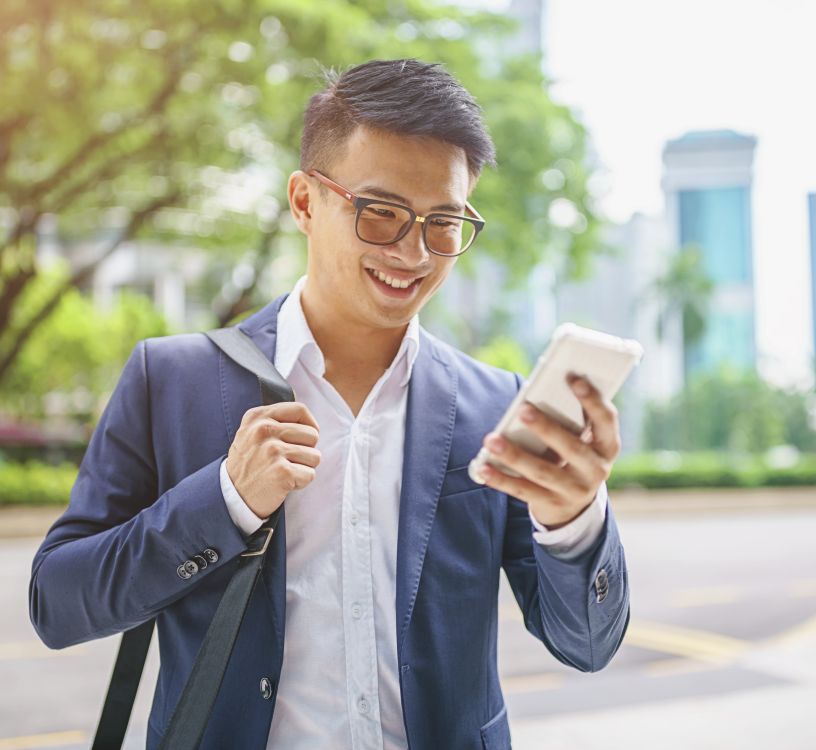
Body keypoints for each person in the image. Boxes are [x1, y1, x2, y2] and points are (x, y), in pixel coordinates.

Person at [29, 58, 630, 750]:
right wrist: (225, 500)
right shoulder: (170, 379)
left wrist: (573, 522)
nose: (413, 252)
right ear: (306, 202)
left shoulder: (495, 404)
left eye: (444, 223)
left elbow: (586, 644)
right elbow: (57, 604)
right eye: (380, 214)